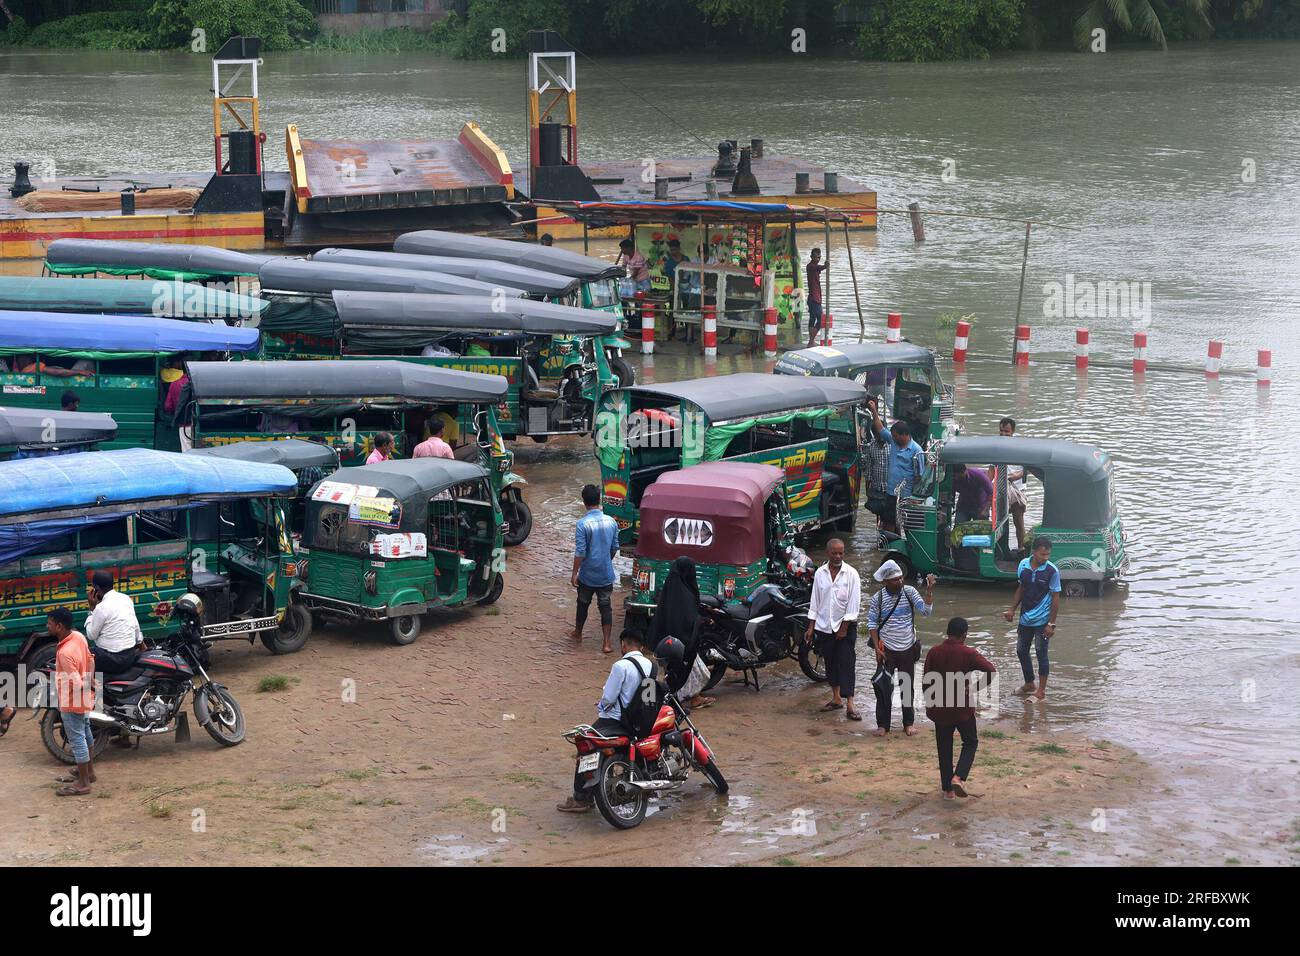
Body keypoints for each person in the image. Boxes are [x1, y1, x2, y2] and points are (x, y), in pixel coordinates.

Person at [556, 629, 657, 813]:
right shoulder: (651, 666)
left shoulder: (621, 666)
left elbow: (609, 698)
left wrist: (602, 704)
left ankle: (581, 799)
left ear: (623, 645)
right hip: (641, 721)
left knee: (584, 746)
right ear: (642, 647)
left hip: (615, 721)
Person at [923, 617, 997, 799]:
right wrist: (974, 688)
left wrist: (930, 703)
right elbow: (991, 671)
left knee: (944, 746)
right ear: (964, 635)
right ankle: (958, 777)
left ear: (947, 632)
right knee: (970, 742)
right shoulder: (968, 653)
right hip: (962, 709)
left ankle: (948, 790)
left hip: (940, 707)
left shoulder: (934, 652)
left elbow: (926, 682)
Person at [867, 559, 935, 736]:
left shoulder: (910, 592)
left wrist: (929, 591)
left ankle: (908, 723)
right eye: (894, 579)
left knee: (907, 687)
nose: (899, 581)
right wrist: (877, 647)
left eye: (900, 578)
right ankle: (883, 725)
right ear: (885, 582)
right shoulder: (878, 598)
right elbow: (872, 624)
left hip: (907, 648)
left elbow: (926, 612)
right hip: (886, 649)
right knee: (883, 688)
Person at [804, 538, 863, 721]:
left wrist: (844, 628)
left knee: (847, 663)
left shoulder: (851, 574)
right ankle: (836, 698)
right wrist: (811, 626)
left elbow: (854, 605)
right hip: (824, 626)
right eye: (834, 553)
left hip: (845, 626)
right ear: (828, 553)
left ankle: (850, 704)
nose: (838, 556)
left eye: (841, 553)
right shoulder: (820, 573)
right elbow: (815, 601)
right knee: (830, 662)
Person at [647, 557, 714, 708]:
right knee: (686, 670)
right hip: (679, 644)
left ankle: (657, 702)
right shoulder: (685, 594)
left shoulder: (670, 589)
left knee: (664, 673)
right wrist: (702, 621)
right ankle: (681, 700)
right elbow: (687, 621)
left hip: (664, 642)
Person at [1004, 537, 1060, 700]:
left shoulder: (1052, 571)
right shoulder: (1023, 565)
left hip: (1043, 622)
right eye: (1043, 554)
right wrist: (1012, 609)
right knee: (1021, 651)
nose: (1046, 558)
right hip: (1025, 618)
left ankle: (1041, 691)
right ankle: (1029, 684)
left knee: (1041, 653)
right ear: (1034, 552)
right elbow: (1022, 588)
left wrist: (1051, 624)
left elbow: (1056, 598)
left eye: (1048, 554)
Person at [49, 607, 97, 797]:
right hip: (84, 698)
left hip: (72, 701)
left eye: (50, 624)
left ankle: (83, 783)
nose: (48, 626)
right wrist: (90, 680)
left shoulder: (64, 652)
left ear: (59, 626)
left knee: (77, 740)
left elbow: (76, 684)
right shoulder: (78, 637)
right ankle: (89, 772)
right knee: (86, 734)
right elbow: (91, 659)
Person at [571, 483, 620, 654]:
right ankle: (606, 643)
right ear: (599, 500)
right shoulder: (611, 522)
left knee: (582, 603)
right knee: (605, 607)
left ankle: (578, 633)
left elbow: (580, 552)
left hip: (588, 575)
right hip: (606, 574)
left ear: (584, 502)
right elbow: (614, 548)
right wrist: (606, 560)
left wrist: (574, 572)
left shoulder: (582, 524)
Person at [870, 408, 925, 534]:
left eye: (895, 436)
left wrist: (915, 496)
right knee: (888, 521)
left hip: (907, 496)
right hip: (891, 493)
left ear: (904, 435)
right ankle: (891, 546)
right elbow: (880, 429)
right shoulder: (894, 442)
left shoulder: (917, 450)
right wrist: (873, 411)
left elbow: (919, 476)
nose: (893, 439)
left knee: (909, 524)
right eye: (892, 436)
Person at [85, 570, 144, 675]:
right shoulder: (126, 599)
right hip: (129, 656)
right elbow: (136, 627)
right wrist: (141, 644)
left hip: (112, 660)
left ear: (96, 589)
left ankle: (94, 689)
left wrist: (91, 610)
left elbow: (91, 635)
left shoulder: (100, 608)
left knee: (82, 655)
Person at [988, 417, 1028, 550]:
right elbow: (991, 471)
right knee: (998, 521)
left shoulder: (1021, 448)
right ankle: (1001, 550)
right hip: (1000, 489)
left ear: (1013, 432)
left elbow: (1028, 470)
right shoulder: (995, 447)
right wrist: (987, 488)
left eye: (1007, 432)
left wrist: (1016, 476)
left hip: (1017, 489)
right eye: (1001, 431)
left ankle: (1021, 549)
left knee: (1018, 521)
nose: (1004, 434)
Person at [862, 397, 894, 531]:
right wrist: (868, 489)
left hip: (890, 487)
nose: (879, 437)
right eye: (876, 435)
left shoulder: (893, 445)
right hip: (876, 486)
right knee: (878, 512)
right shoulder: (871, 447)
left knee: (891, 517)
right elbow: (869, 470)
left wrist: (874, 410)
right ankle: (880, 532)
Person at [805, 248, 827, 345]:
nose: (817, 259)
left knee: (812, 318)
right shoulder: (810, 266)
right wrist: (825, 266)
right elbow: (818, 268)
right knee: (821, 319)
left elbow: (818, 268)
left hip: (814, 297)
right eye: (815, 257)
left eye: (818, 257)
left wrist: (824, 266)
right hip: (814, 298)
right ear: (811, 257)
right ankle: (811, 341)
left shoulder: (815, 267)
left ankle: (811, 341)